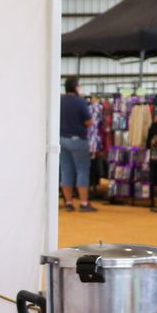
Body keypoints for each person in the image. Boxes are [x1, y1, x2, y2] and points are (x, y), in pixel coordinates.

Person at [58, 77, 96, 212]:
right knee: (82, 171)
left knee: (66, 171)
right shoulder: (80, 102)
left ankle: (68, 202)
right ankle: (84, 203)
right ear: (75, 87)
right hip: (78, 140)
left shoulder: (60, 101)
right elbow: (88, 122)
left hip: (62, 139)